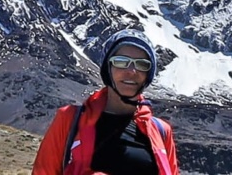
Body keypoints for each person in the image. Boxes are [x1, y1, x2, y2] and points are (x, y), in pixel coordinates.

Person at [33, 29, 179, 175]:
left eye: (142, 64)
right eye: (121, 62)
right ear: (107, 69)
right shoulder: (70, 120)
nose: (132, 71)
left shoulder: (161, 131)